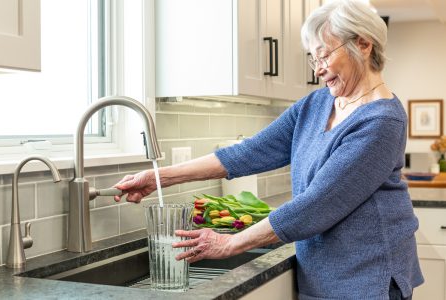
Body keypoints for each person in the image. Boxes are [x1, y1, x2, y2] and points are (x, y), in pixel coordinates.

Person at [113, 0, 423, 298]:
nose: (318, 69)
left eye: (324, 55)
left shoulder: (382, 121)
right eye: (312, 58)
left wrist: (229, 244)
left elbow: (316, 206)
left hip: (368, 279)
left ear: (364, 44)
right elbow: (248, 152)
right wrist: (160, 177)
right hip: (323, 271)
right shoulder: (316, 104)